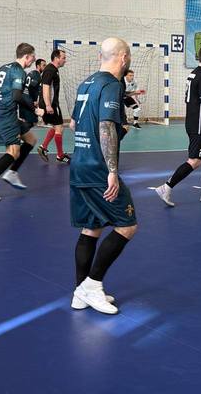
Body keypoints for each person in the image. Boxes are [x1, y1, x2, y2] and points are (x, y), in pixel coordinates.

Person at [69, 37, 137, 315]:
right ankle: (92, 285)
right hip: (98, 169)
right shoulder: (112, 85)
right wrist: (112, 170)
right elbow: (107, 125)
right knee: (127, 226)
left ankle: (80, 292)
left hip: (79, 164)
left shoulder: (86, 83)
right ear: (123, 57)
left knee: (92, 227)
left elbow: (73, 124)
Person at [154, 46, 201, 207]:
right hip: (199, 125)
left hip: (197, 122)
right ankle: (166, 187)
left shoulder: (193, 74)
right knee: (195, 161)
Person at [0, 43, 44, 200]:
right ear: (26, 56)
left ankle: (12, 172)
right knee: (13, 151)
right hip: (5, 115)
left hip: (3, 113)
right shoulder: (19, 72)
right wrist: (35, 110)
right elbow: (17, 96)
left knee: (30, 139)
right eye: (33, 56)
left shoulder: (4, 68)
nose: (34, 59)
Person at [37, 49, 70, 163]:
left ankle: (43, 147)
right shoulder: (50, 70)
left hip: (51, 104)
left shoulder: (53, 70)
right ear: (56, 58)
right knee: (59, 127)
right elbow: (45, 87)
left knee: (56, 127)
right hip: (50, 104)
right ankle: (60, 155)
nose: (65, 60)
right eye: (63, 58)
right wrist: (48, 105)